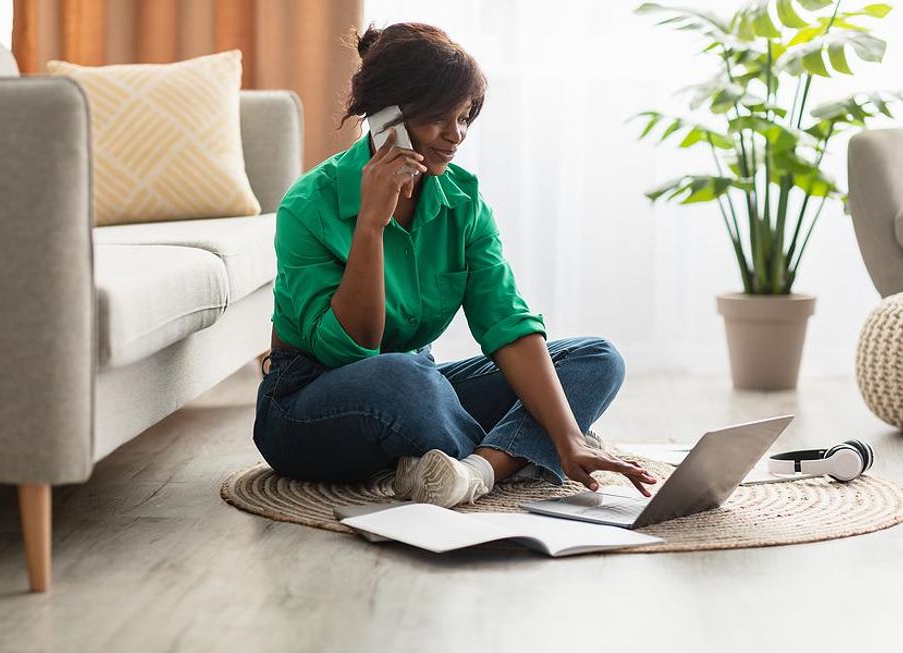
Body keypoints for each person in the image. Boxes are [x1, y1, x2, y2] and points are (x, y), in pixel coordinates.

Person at [253, 22, 656, 508]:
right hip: (307, 405)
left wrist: (568, 436)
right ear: (387, 118)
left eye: (464, 117)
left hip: (419, 394)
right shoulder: (307, 205)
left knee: (595, 358)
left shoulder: (462, 199)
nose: (456, 135)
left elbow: (505, 320)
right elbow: (351, 350)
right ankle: (514, 455)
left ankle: (474, 470)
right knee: (404, 378)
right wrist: (370, 226)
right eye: (439, 119)